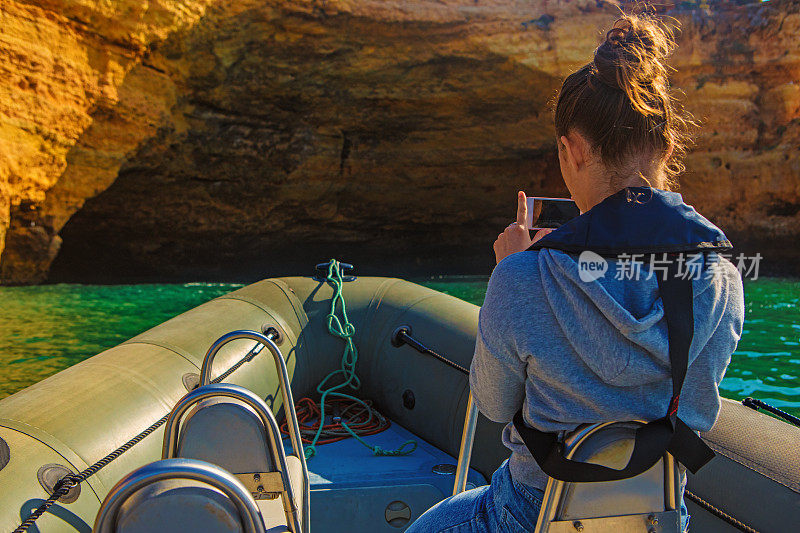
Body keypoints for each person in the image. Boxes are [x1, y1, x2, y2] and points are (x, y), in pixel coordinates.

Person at [407, 13, 745, 533]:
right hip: (656, 519)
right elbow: (697, 408)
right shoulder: (720, 275)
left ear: (573, 150)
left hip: (530, 515)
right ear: (668, 147)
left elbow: (494, 405)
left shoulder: (524, 278)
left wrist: (510, 272)